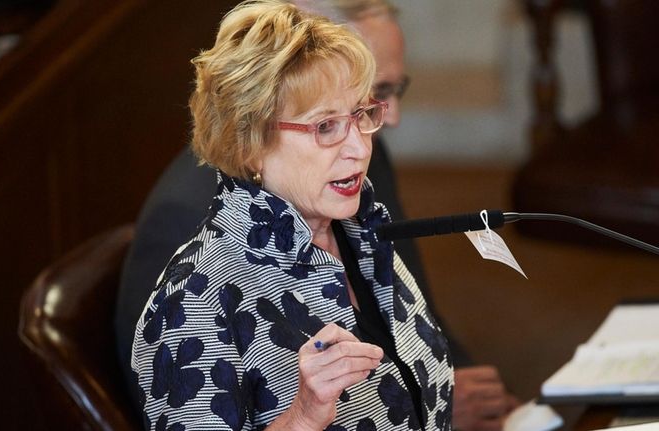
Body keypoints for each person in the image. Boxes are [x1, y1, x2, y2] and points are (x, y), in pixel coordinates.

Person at [119, 0, 518, 429]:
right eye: (325, 126)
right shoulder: (193, 301)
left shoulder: (359, 226)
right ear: (249, 142)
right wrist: (303, 415)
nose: (359, 148)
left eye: (361, 115)